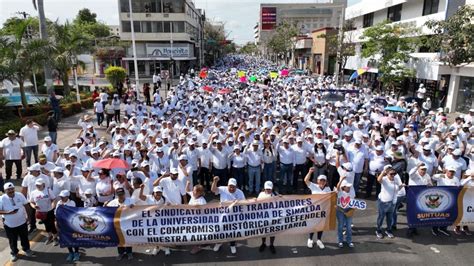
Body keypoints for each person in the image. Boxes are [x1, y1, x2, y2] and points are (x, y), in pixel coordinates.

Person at [0, 182, 34, 262]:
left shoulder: (20, 195)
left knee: (24, 237)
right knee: (12, 240)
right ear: (5, 191)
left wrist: (29, 217)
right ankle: (14, 253)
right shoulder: (2, 199)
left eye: (12, 189)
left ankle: (27, 249)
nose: (11, 191)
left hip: (22, 222)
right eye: (9, 190)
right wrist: (8, 213)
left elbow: (26, 206)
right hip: (9, 225)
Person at [211, 176, 245, 254]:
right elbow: (213, 190)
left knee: (232, 231)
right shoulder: (223, 189)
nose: (232, 188)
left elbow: (244, 203)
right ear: (228, 185)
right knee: (220, 230)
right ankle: (219, 243)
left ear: (236, 186)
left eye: (233, 187)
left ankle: (232, 245)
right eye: (230, 186)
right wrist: (215, 181)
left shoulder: (240, 192)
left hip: (234, 216)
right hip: (222, 215)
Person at [304, 168, 331, 249]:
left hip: (323, 211)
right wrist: (309, 172)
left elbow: (330, 198)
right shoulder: (314, 186)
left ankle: (319, 240)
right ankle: (310, 239)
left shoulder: (328, 189)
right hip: (314, 210)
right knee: (313, 225)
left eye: (324, 181)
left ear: (326, 182)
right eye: (320, 180)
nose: (322, 182)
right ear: (318, 181)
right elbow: (306, 180)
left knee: (321, 226)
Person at [105, 187, 134, 260]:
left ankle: (129, 252)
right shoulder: (113, 202)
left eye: (122, 194)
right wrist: (105, 205)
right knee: (119, 238)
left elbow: (138, 209)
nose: (121, 196)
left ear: (124, 194)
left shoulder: (130, 200)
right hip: (117, 224)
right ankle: (120, 253)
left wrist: (133, 207)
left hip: (127, 223)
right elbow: (105, 210)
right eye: (119, 194)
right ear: (117, 195)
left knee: (128, 238)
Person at [375, 166, 404, 239]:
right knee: (381, 217)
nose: (393, 175)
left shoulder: (395, 180)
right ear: (387, 174)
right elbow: (378, 180)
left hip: (392, 203)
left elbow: (397, 189)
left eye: (394, 173)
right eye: (391, 174)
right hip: (384, 203)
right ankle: (378, 231)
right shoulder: (384, 179)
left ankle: (388, 230)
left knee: (390, 218)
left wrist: (401, 186)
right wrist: (383, 172)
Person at [29, 178, 58, 245]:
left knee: (51, 224)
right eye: (37, 185)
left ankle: (55, 238)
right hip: (41, 212)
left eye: (39, 185)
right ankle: (49, 236)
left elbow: (54, 199)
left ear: (43, 184)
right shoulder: (33, 192)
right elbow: (31, 202)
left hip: (49, 211)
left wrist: (53, 205)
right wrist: (34, 206)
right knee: (46, 225)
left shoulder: (48, 190)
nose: (38, 186)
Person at [54, 190, 80, 262]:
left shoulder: (72, 203)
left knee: (74, 239)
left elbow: (71, 213)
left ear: (67, 196)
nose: (61, 198)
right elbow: (56, 213)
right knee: (66, 239)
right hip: (62, 224)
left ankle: (77, 253)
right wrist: (56, 222)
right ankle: (71, 253)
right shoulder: (59, 203)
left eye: (63, 197)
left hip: (71, 224)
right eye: (61, 196)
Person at [186, 181, 207, 254]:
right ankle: (202, 243)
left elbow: (202, 210)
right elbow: (187, 190)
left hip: (198, 221)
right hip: (191, 219)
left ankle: (197, 247)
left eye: (194, 190)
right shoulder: (193, 195)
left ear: (198, 192)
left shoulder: (202, 201)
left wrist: (196, 207)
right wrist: (188, 184)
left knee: (196, 234)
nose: (192, 191)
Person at [257, 181, 277, 254]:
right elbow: (256, 203)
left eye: (269, 189)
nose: (268, 190)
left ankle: (271, 245)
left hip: (273, 217)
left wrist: (281, 197)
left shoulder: (275, 194)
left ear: (272, 188)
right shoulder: (261, 194)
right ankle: (263, 243)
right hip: (263, 217)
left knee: (272, 232)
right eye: (267, 189)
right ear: (264, 188)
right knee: (264, 232)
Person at [336, 176, 354, 248]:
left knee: (349, 227)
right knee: (340, 226)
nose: (349, 188)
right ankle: (340, 241)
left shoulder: (352, 191)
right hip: (340, 210)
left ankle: (349, 241)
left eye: (349, 186)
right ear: (343, 187)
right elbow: (337, 187)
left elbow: (354, 201)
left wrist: (353, 209)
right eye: (347, 187)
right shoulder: (339, 192)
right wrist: (341, 179)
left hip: (349, 210)